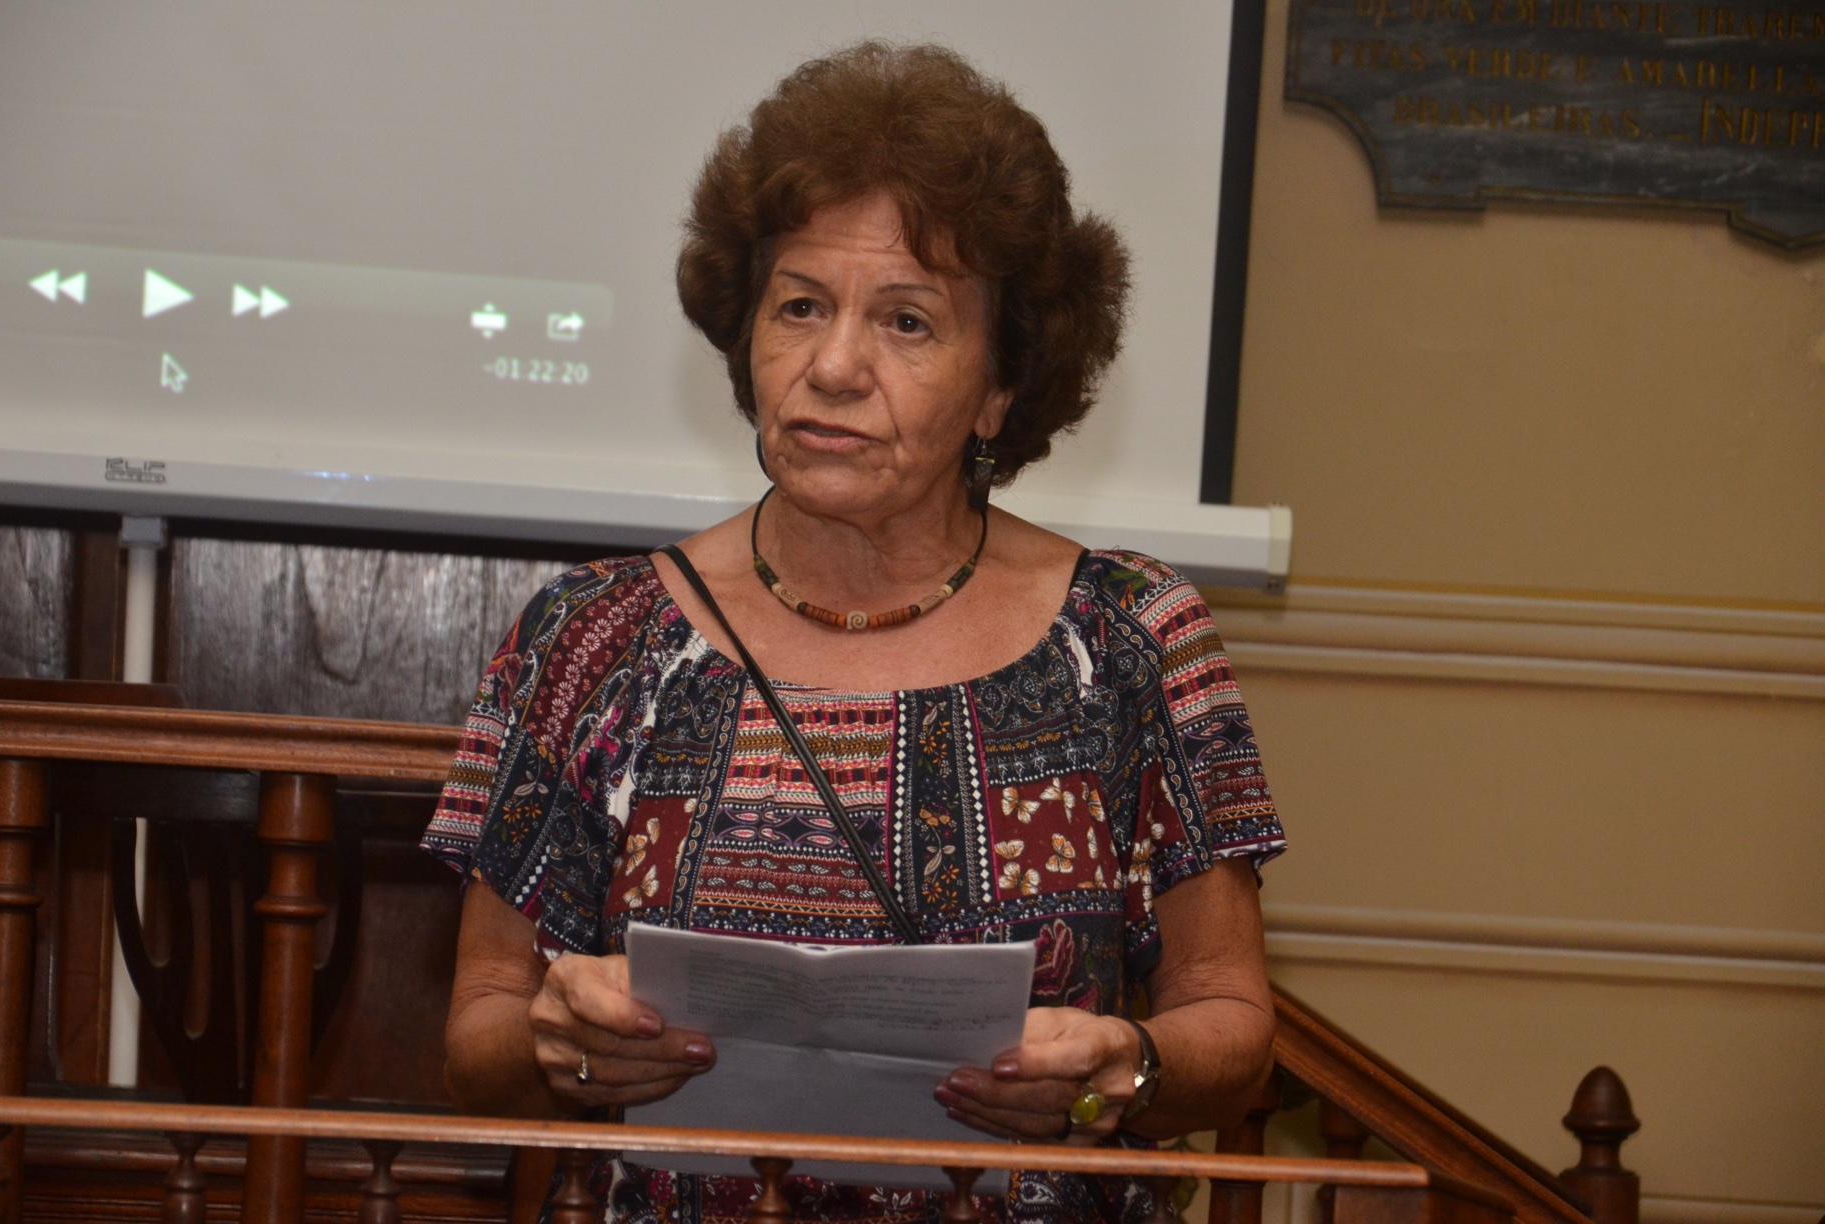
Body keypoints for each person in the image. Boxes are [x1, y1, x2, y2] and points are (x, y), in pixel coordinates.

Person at [422, 40, 1285, 1224]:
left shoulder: (1132, 637)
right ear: (747, 340)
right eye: (800, 308)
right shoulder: (596, 636)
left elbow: (1232, 1025)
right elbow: (477, 1033)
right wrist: (561, 1046)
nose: (832, 366)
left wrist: (1121, 1070)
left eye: (907, 323)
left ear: (1000, 387)